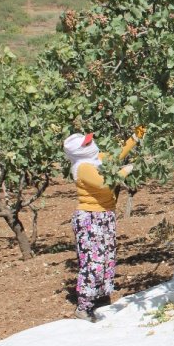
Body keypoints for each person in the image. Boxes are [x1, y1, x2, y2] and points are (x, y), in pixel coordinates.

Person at [63, 127, 144, 320]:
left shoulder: (95, 158)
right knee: (93, 262)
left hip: (104, 216)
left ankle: (99, 297)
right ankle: (84, 306)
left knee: (106, 258)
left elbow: (117, 156)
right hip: (90, 219)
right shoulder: (83, 167)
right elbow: (104, 183)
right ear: (78, 151)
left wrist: (136, 135)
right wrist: (127, 169)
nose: (91, 144)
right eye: (87, 144)